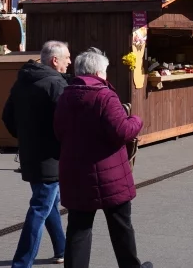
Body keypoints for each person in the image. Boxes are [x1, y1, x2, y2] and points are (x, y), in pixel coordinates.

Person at [55, 48, 151, 268]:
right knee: (121, 226)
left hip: (76, 172)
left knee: (79, 228)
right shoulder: (105, 95)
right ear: (99, 72)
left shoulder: (65, 96)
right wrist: (136, 120)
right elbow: (123, 131)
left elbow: (58, 132)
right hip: (110, 174)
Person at [4, 41, 72, 267]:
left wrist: (25, 137)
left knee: (48, 202)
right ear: (55, 60)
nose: (69, 62)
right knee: (41, 207)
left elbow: (7, 116)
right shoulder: (55, 84)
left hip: (30, 153)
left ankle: (62, 248)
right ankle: (22, 263)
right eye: (67, 57)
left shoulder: (23, 80)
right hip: (50, 156)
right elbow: (67, 122)